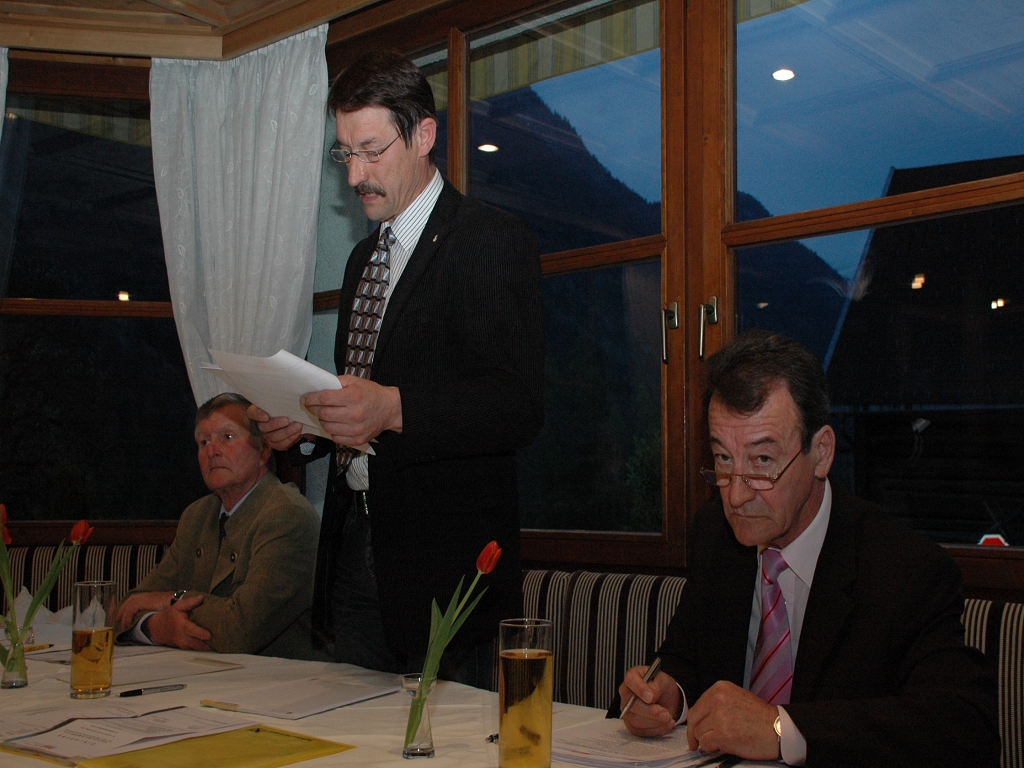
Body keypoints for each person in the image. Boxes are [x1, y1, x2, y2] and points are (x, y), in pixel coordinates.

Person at [250, 50, 544, 686]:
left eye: (371, 151)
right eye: (344, 154)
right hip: (356, 550)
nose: (355, 175)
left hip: (446, 571)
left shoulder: (490, 240)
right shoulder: (362, 260)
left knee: (444, 738)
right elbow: (358, 398)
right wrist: (306, 425)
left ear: (424, 135)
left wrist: (394, 407)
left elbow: (515, 406)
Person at [617, 330, 999, 767]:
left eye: (762, 461)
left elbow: (965, 727)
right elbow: (685, 658)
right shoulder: (716, 536)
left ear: (821, 453)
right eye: (723, 459)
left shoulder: (903, 568)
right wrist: (668, 695)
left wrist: (782, 729)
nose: (736, 496)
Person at [116, 393, 321, 660]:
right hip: (205, 671)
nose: (211, 450)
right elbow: (126, 608)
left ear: (263, 450)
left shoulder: (287, 516)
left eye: (227, 437)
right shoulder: (198, 516)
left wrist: (172, 599)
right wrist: (158, 628)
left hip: (283, 676)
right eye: (204, 442)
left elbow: (240, 630)